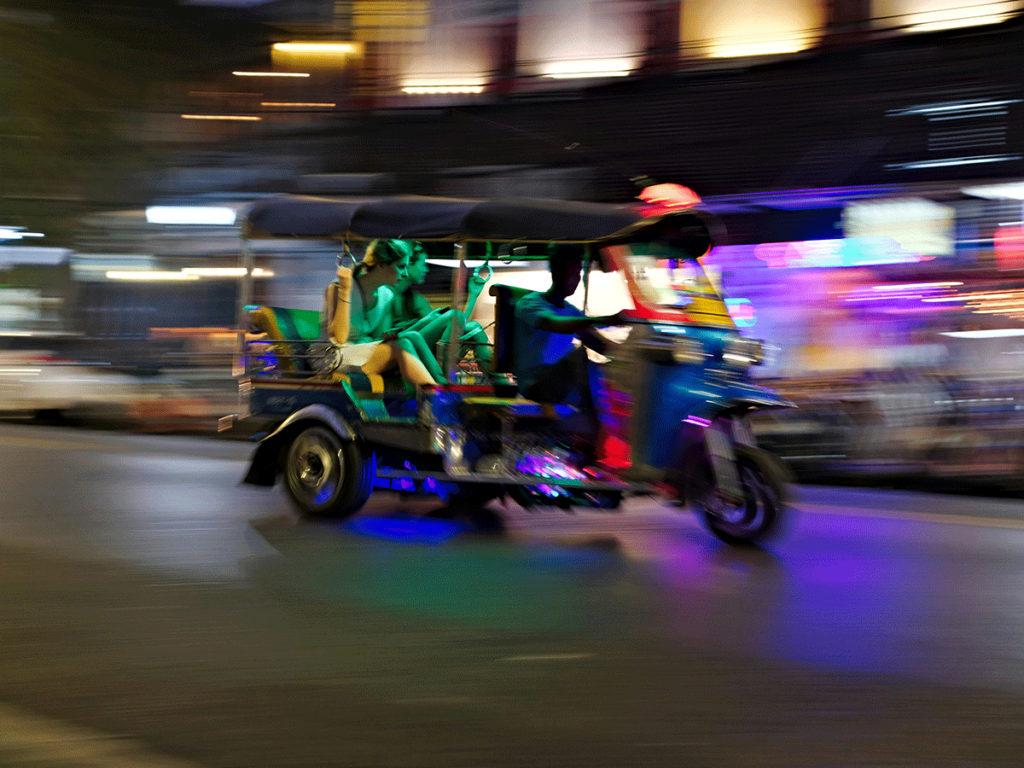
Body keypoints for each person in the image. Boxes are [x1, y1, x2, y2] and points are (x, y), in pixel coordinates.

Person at [513, 244, 624, 442]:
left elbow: (598, 344)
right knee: (580, 355)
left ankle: (608, 426)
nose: (576, 278)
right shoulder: (530, 303)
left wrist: (628, 357)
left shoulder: (571, 310)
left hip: (561, 386)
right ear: (556, 272)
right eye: (572, 271)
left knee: (597, 366)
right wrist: (602, 319)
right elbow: (554, 323)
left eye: (579, 272)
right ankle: (597, 431)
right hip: (536, 386)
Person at [321, 239, 439, 387]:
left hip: (360, 351)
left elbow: (377, 336)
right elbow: (339, 338)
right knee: (401, 344)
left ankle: (439, 387)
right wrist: (346, 290)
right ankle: (435, 396)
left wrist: (388, 336)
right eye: (401, 267)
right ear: (382, 265)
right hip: (333, 356)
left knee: (411, 337)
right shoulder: (339, 288)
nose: (405, 274)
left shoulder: (386, 295)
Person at [382, 241, 493, 381]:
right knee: (454, 316)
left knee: (473, 326)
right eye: (423, 264)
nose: (426, 270)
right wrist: (426, 320)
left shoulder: (415, 299)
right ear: (408, 265)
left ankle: (491, 379)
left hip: (419, 346)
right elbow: (385, 338)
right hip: (397, 351)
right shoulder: (386, 294)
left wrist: (473, 296)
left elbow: (457, 326)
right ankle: (448, 380)